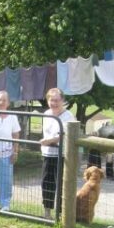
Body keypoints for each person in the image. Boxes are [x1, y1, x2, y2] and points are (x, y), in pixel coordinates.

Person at [39, 88, 75, 219]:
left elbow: (64, 134)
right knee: (46, 182)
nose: (54, 103)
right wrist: (47, 142)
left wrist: (49, 140)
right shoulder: (47, 114)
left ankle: (61, 214)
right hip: (48, 154)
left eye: (57, 100)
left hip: (63, 155)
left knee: (61, 183)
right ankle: (47, 211)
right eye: (51, 100)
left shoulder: (68, 116)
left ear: (63, 101)